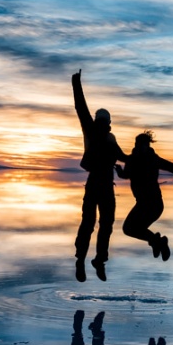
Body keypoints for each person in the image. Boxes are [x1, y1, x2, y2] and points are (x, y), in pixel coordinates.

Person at [72, 69, 127, 282]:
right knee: (88, 222)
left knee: (107, 223)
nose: (103, 124)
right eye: (100, 121)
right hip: (94, 183)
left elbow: (123, 157)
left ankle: (99, 260)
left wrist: (134, 165)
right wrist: (76, 82)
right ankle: (80, 260)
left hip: (107, 186)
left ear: (108, 123)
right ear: (97, 121)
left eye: (105, 122)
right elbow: (80, 107)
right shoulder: (90, 130)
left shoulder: (111, 139)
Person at [117, 130, 173, 261]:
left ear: (148, 145)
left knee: (132, 228)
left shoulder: (153, 159)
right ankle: (158, 242)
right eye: (138, 144)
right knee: (130, 229)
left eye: (143, 144)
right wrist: (119, 172)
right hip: (142, 204)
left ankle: (158, 243)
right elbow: (126, 175)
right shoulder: (132, 160)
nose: (139, 147)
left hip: (154, 205)